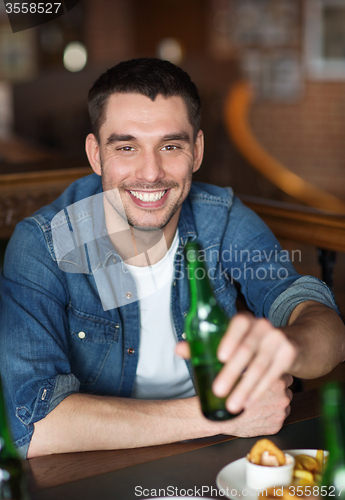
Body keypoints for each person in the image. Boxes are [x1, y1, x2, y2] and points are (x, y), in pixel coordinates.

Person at [0, 58, 344, 459]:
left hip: (217, 457)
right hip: (100, 466)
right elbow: (34, 429)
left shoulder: (221, 219)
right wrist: (218, 415)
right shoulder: (44, 244)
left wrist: (291, 345)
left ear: (196, 151)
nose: (151, 172)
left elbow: (323, 325)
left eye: (171, 146)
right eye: (126, 147)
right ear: (96, 155)